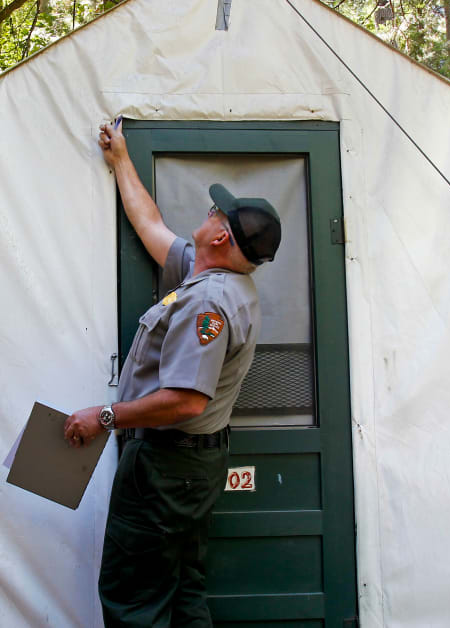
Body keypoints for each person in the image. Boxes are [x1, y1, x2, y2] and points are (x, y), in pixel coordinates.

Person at [63, 119, 282, 627]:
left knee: (134, 601)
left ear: (220, 235)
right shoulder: (212, 277)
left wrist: (104, 417)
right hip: (190, 469)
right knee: (183, 593)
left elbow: (186, 401)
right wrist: (122, 160)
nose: (208, 212)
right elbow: (151, 227)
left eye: (215, 212)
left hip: (165, 468)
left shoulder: (208, 302)